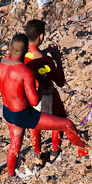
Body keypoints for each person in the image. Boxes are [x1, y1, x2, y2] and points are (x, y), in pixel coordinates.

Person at [0, 34, 86, 177]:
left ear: (9, 48)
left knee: (15, 144)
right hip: (24, 114)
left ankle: (11, 175)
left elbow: (16, 51)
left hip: (8, 111)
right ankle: (85, 153)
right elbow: (34, 101)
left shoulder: (1, 66)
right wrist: (42, 85)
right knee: (67, 124)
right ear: (26, 51)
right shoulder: (24, 72)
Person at [24, 20, 69, 160]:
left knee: (34, 124)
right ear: (41, 36)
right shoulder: (46, 60)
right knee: (58, 119)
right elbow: (60, 82)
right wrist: (58, 61)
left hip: (30, 96)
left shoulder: (23, 58)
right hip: (48, 94)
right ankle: (55, 149)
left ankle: (38, 153)